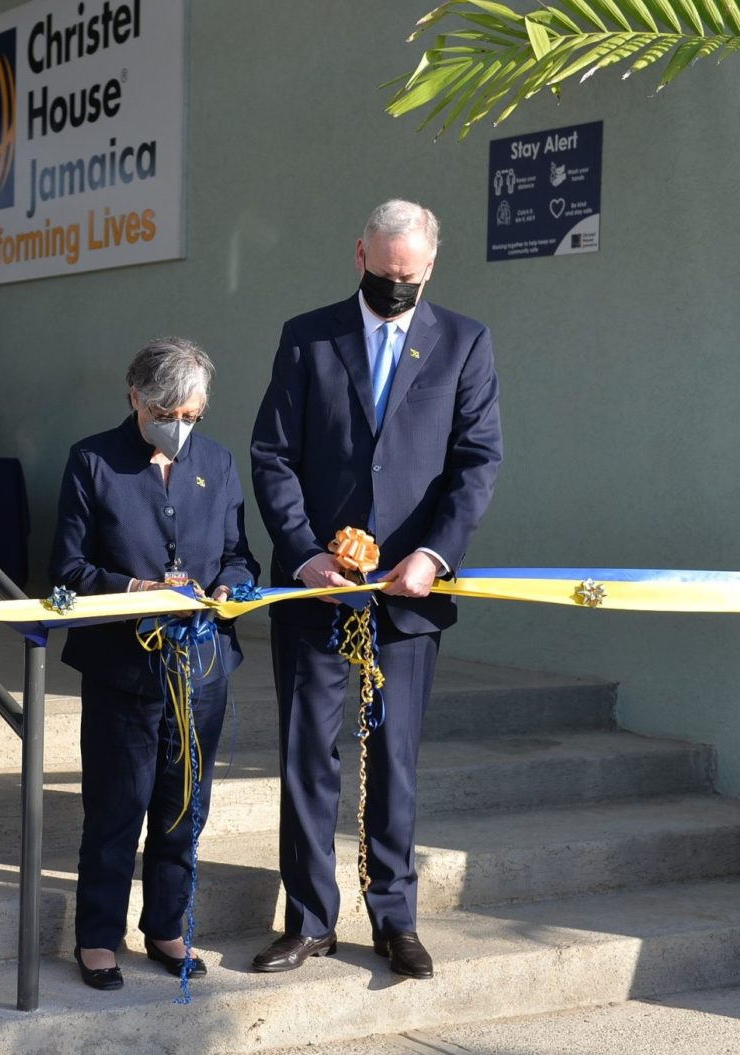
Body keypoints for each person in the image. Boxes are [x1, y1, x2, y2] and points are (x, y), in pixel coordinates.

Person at [249, 200, 502, 980]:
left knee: (394, 760)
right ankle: (311, 918)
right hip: (318, 591)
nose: (397, 286)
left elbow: (477, 461)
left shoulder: (464, 342)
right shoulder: (308, 336)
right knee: (306, 760)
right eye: (385, 272)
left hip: (410, 594)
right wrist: (301, 555)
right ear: (359, 253)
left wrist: (435, 552)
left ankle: (395, 917)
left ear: (430, 267)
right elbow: (272, 454)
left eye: (411, 276)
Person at [50, 337, 258, 990]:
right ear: (135, 396)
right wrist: (135, 589)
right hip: (124, 666)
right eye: (169, 411)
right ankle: (98, 937)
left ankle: (168, 925)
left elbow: (240, 556)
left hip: (201, 665)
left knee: (184, 804)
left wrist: (229, 586)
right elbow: (68, 570)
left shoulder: (218, 463)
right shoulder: (92, 461)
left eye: (193, 416)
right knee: (116, 805)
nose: (181, 426)